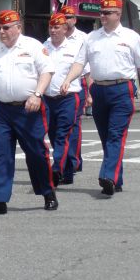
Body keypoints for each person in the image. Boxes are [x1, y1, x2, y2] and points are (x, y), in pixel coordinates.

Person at [61, 0, 140, 196]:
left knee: (116, 135)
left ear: (118, 14)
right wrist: (69, 79)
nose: (102, 16)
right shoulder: (91, 37)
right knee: (106, 137)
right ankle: (117, 179)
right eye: (101, 13)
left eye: (107, 13)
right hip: (99, 90)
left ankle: (107, 176)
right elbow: (79, 63)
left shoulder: (131, 37)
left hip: (122, 89)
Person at [0, 10, 57, 216]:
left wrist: (38, 95)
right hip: (2, 110)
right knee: (0, 155)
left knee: (37, 153)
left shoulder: (33, 46)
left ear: (18, 27)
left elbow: (47, 72)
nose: (2, 32)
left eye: (6, 27)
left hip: (28, 108)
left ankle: (47, 192)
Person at [43, 13, 82, 187]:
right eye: (51, 27)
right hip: (48, 98)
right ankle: (67, 171)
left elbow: (84, 71)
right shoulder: (44, 47)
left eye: (57, 27)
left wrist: (89, 94)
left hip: (68, 98)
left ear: (65, 29)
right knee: (52, 134)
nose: (53, 30)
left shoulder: (75, 48)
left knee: (63, 135)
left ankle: (57, 167)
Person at [59, 5, 90, 173]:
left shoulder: (83, 38)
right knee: (61, 126)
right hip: (57, 88)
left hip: (79, 84)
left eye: (70, 17)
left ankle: (74, 160)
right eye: (64, 17)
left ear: (75, 20)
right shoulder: (54, 38)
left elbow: (88, 68)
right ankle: (68, 159)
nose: (67, 20)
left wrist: (90, 93)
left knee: (74, 124)